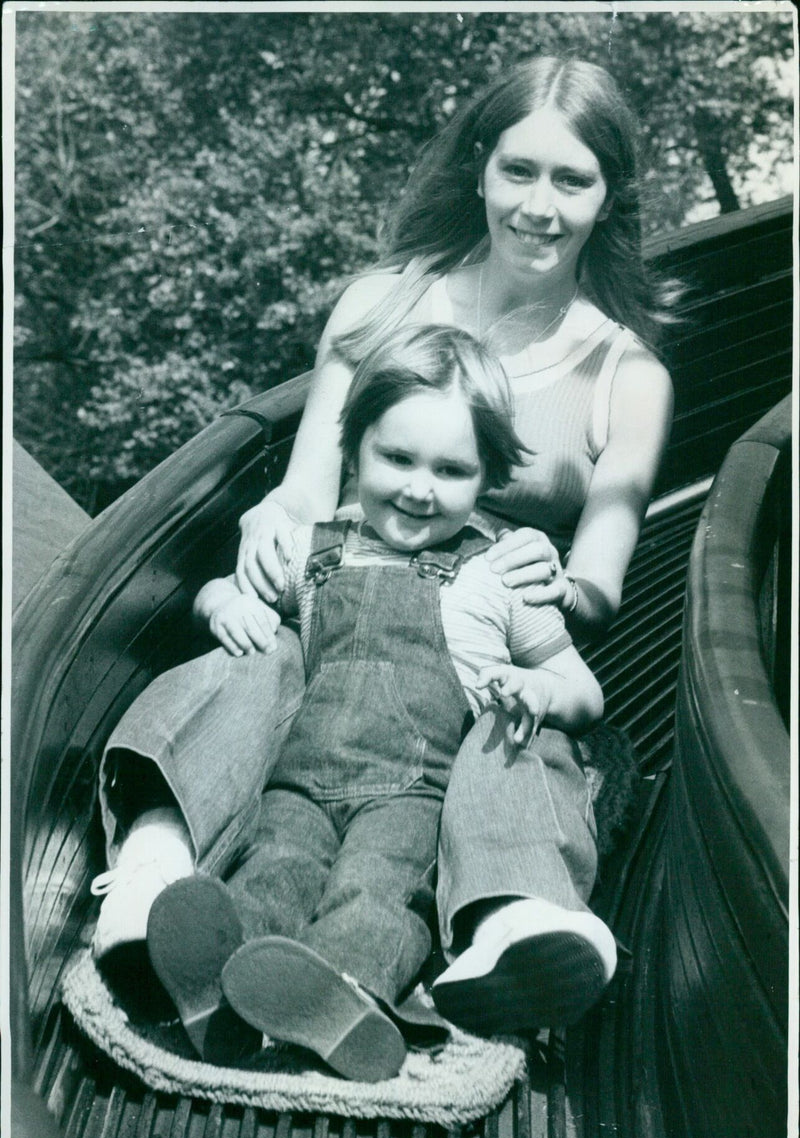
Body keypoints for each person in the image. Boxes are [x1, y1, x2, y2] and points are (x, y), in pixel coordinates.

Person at [91, 56, 675, 1038]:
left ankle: (513, 926)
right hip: (345, 629)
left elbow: (598, 580)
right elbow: (306, 491)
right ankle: (152, 876)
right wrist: (271, 531)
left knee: (509, 735)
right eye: (518, 172)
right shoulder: (382, 305)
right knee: (254, 657)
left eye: (571, 180)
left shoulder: (625, 370)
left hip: (495, 657)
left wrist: (551, 583)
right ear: (481, 166)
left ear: (608, 193)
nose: (538, 206)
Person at [142, 323, 606, 1081]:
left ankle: (344, 992)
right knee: (274, 868)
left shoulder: (499, 572)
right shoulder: (314, 547)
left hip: (413, 798)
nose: (421, 486)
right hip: (297, 782)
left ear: (488, 474)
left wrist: (538, 688)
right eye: (397, 458)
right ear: (355, 449)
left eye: (451, 469)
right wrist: (221, 604)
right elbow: (220, 592)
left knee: (379, 889)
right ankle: (218, 991)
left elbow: (584, 691)